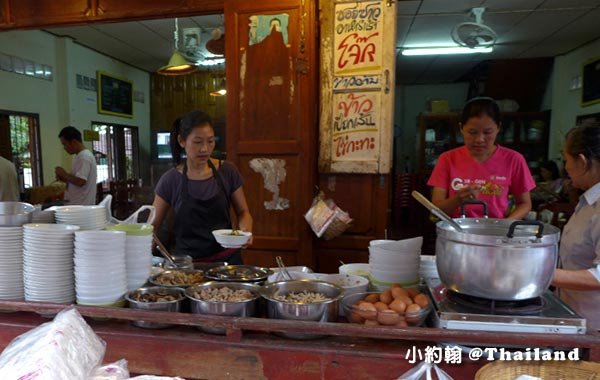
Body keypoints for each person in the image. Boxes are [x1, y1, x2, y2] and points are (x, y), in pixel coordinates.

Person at [152, 111, 253, 264]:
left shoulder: (228, 171)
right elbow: (152, 227)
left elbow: (243, 212)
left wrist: (245, 230)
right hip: (187, 266)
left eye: (210, 141)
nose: (205, 149)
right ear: (182, 141)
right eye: (198, 142)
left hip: (227, 262)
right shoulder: (170, 180)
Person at [427, 97, 535, 219]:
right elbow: (436, 209)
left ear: (498, 128)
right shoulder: (447, 159)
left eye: (488, 132)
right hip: (457, 232)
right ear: (461, 128)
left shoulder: (514, 160)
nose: (479, 139)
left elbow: (525, 204)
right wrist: (458, 199)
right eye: (472, 132)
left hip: (496, 233)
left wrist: (504, 225)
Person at [552, 125, 600, 331]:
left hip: (593, 323)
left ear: (582, 161)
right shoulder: (589, 201)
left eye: (566, 160)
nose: (566, 168)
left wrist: (539, 275)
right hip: (575, 314)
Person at [55, 126, 97, 205]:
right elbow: (76, 180)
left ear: (74, 142)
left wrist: (64, 174)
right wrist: (64, 178)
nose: (64, 148)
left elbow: (81, 181)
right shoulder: (79, 156)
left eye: (65, 144)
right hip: (77, 206)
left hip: (81, 209)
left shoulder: (85, 157)